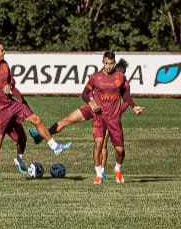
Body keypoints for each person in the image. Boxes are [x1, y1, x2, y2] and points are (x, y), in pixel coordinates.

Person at [0, 41, 67, 182]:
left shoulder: (5, 64)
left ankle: (54, 146)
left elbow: (11, 81)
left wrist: (9, 85)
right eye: (2, 50)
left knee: (36, 119)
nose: (4, 51)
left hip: (11, 105)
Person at [49, 52, 142, 184]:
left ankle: (117, 169)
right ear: (103, 62)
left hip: (114, 119)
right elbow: (84, 94)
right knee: (99, 143)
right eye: (106, 63)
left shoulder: (121, 78)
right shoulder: (96, 77)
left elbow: (126, 96)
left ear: (114, 63)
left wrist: (133, 106)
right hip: (98, 116)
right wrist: (91, 102)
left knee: (120, 150)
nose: (108, 66)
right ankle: (99, 174)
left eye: (111, 63)